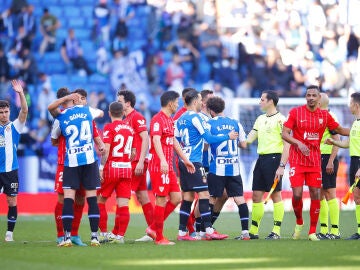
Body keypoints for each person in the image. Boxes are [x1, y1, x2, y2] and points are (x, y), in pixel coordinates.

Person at [282, 85, 349, 241]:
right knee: (297, 194)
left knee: (316, 194)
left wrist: (356, 129)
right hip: (297, 160)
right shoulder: (295, 112)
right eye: (308, 95)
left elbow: (339, 130)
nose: (311, 97)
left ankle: (312, 231)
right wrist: (298, 143)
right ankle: (299, 221)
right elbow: (284, 134)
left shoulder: (325, 116)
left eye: (314, 95)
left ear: (319, 99)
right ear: (305, 97)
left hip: (314, 161)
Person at [175, 89, 238, 241]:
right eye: (200, 101)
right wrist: (227, 136)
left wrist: (183, 157)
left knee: (188, 197)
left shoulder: (180, 118)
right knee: (204, 195)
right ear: (196, 102)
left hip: (183, 161)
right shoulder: (196, 118)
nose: (202, 103)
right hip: (195, 162)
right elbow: (209, 138)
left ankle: (182, 233)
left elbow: (174, 140)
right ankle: (208, 230)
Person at [48, 92, 104, 247]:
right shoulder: (87, 111)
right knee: (91, 199)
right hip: (89, 160)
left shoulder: (61, 116)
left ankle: (67, 238)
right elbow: (101, 112)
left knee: (69, 199)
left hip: (71, 161)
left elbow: (54, 139)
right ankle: (94, 238)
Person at [146, 90, 195, 245]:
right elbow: (155, 140)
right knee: (161, 199)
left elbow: (173, 141)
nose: (178, 105)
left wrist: (185, 160)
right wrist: (162, 160)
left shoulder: (170, 120)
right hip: (159, 165)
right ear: (170, 103)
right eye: (176, 102)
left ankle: (153, 228)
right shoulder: (157, 119)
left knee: (176, 198)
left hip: (169, 166)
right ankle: (159, 237)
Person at [246, 90, 290, 240]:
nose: (260, 102)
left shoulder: (281, 120)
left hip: (274, 160)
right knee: (256, 195)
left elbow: (287, 145)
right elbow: (249, 138)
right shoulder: (259, 119)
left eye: (262, 99)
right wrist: (237, 140)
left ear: (271, 101)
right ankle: (253, 231)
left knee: (276, 195)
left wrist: (282, 166)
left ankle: (276, 231)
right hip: (261, 159)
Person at [206, 96, 249, 240]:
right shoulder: (235, 123)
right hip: (234, 168)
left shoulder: (209, 123)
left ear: (211, 111)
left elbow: (206, 146)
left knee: (212, 198)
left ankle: (206, 229)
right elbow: (244, 145)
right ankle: (245, 233)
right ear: (222, 108)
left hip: (217, 168)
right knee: (239, 199)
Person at [116, 90, 154, 242]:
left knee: (123, 196)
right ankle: (154, 230)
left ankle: (117, 233)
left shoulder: (137, 117)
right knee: (143, 196)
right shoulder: (125, 120)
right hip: (133, 162)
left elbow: (146, 139)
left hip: (137, 163)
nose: (118, 103)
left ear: (128, 103)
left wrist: (140, 161)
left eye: (120, 101)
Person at [325, 92, 360, 240]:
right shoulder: (355, 123)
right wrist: (334, 142)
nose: (349, 106)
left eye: (350, 103)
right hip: (354, 161)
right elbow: (347, 143)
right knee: (357, 197)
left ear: (356, 105)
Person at [97, 101, 134, 244]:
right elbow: (132, 153)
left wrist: (101, 168)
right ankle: (120, 237)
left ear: (109, 113)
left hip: (112, 168)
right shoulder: (129, 129)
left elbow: (105, 150)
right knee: (123, 204)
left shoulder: (109, 127)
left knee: (100, 201)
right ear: (123, 113)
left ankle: (104, 234)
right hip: (126, 168)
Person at [0, 80, 28, 242]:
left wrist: (20, 93)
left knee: (12, 201)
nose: (4, 114)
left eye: (6, 111)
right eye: (1, 112)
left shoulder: (15, 126)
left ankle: (9, 234)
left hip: (11, 171)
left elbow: (24, 110)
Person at [317, 93, 341, 240]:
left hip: (327, 159)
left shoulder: (330, 117)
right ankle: (324, 229)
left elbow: (337, 139)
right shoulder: (318, 116)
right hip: (317, 159)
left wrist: (331, 160)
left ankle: (335, 230)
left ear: (320, 103)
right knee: (320, 194)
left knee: (330, 194)